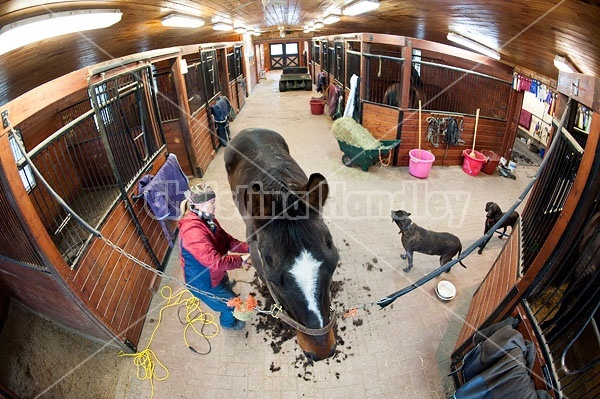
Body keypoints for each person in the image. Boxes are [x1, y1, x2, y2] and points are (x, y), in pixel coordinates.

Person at [178, 183, 250, 330]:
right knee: (230, 306)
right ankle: (228, 323)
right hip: (204, 283)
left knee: (223, 281)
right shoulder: (192, 231)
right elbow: (215, 263)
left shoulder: (208, 219)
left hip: (215, 275)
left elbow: (227, 240)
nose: (215, 206)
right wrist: (241, 260)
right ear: (198, 205)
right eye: (212, 203)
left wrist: (250, 248)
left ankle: (224, 286)